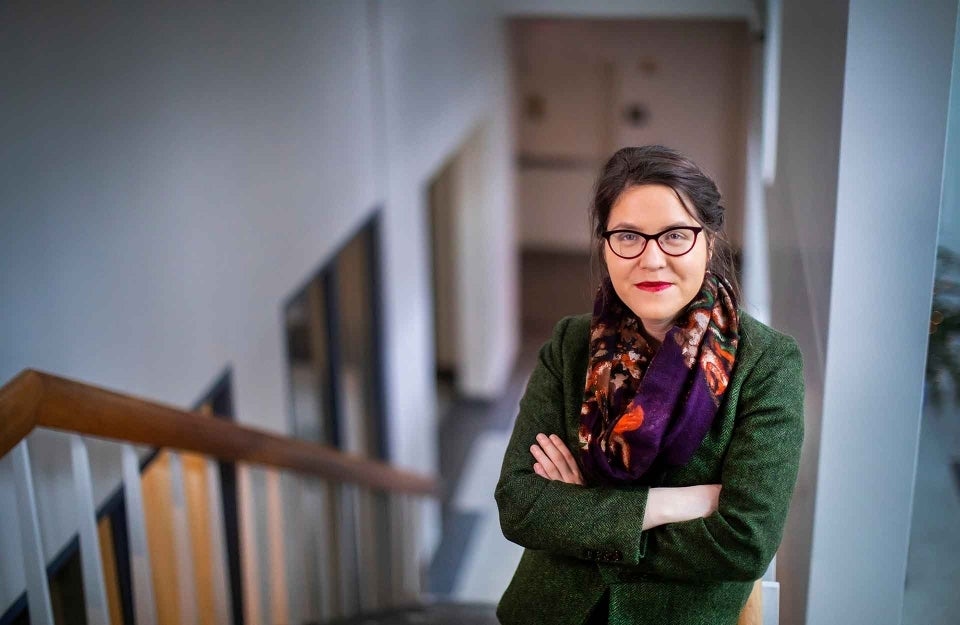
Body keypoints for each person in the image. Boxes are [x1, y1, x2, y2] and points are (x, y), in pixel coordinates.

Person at [495, 145, 804, 625]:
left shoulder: (767, 364)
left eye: (676, 236)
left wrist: (580, 517)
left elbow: (744, 542)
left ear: (710, 241)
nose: (652, 260)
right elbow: (520, 504)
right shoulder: (571, 343)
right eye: (628, 237)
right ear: (605, 245)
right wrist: (675, 503)